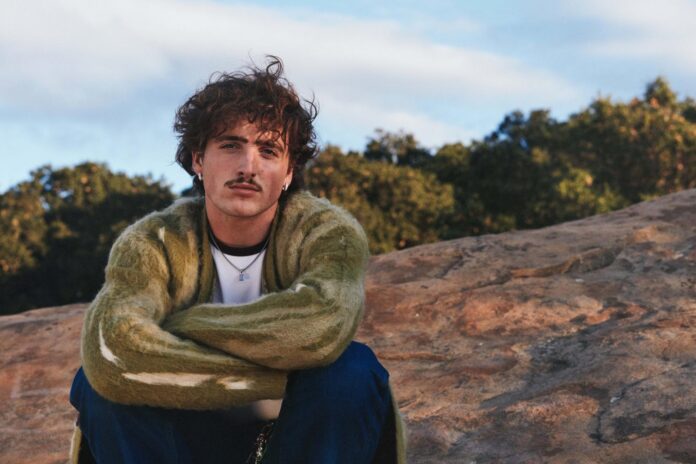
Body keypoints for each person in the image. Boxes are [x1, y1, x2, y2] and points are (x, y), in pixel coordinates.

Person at [68, 56, 406, 464]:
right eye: (230, 145)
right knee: (97, 383)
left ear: (288, 172)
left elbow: (322, 327)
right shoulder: (153, 241)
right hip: (183, 438)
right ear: (198, 159)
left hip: (298, 434)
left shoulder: (326, 232)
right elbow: (112, 347)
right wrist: (276, 372)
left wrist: (178, 328)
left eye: (269, 150)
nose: (248, 167)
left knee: (352, 370)